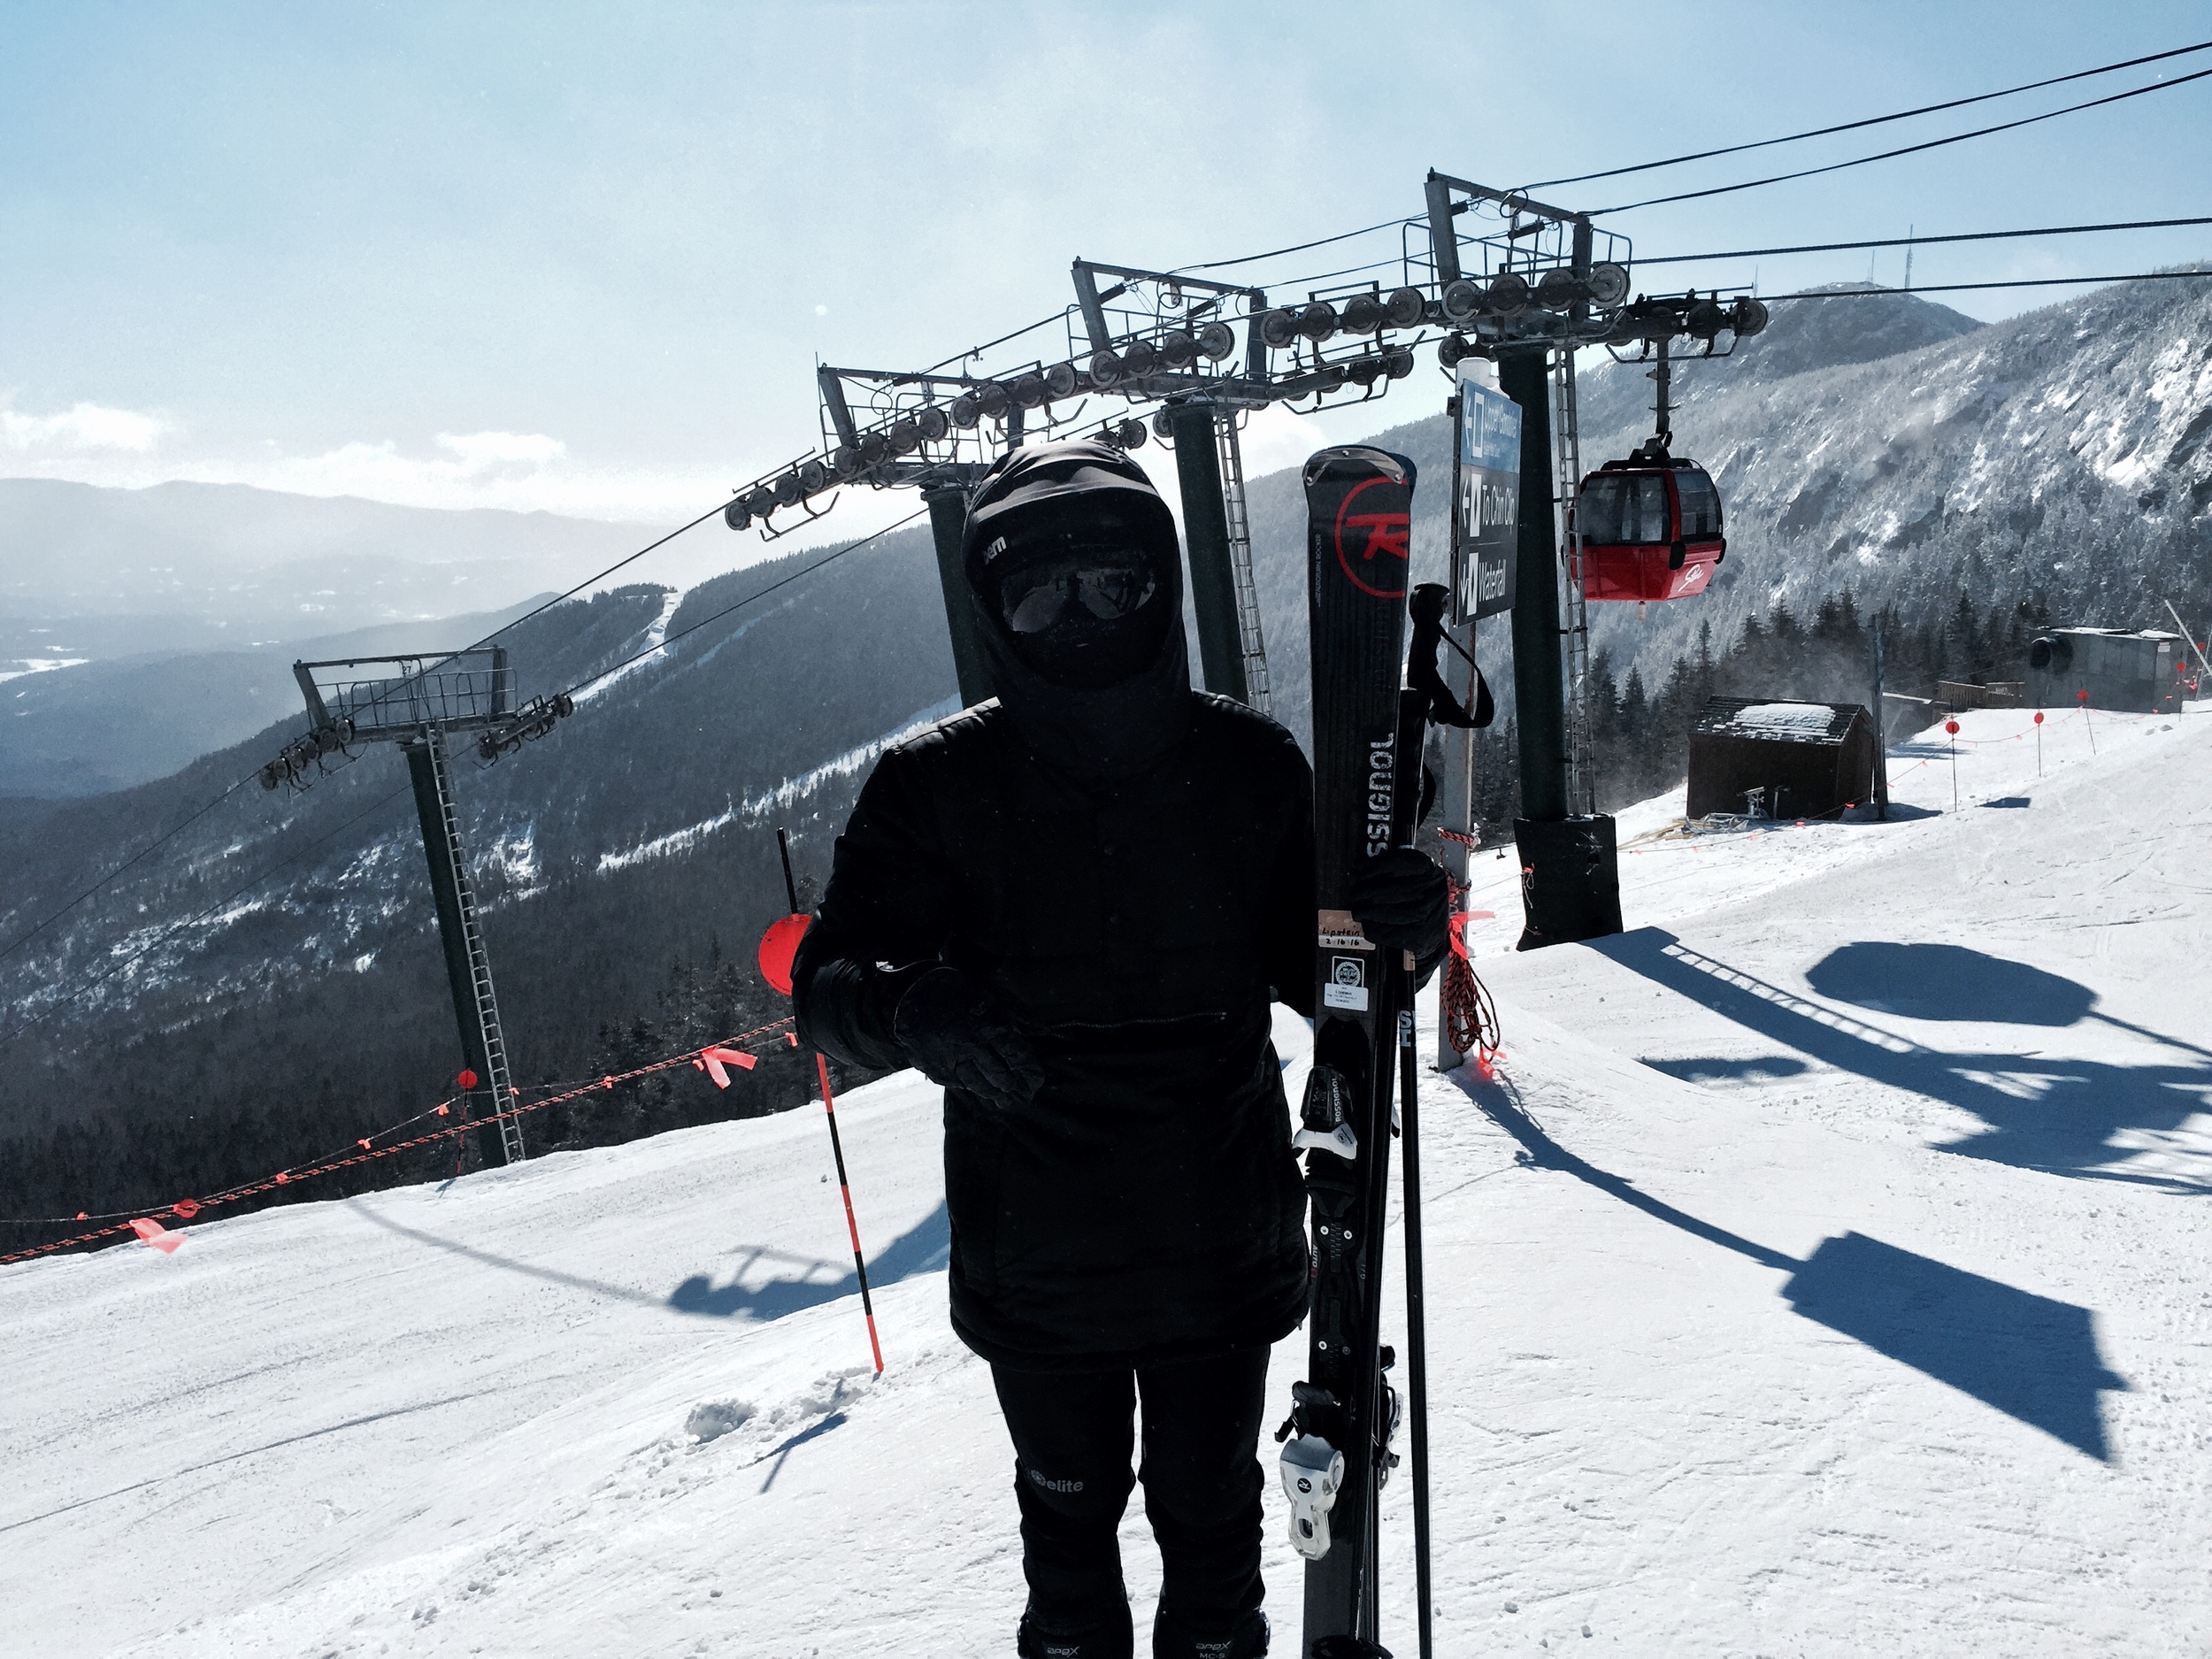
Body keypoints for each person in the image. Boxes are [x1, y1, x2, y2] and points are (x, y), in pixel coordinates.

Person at [792, 438, 1446, 1659]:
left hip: (1210, 1242)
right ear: (995, 612)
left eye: (1115, 583)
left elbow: (1325, 978)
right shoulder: (933, 786)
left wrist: (1395, 936)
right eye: (1043, 591)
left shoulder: (1245, 766)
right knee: (1071, 1562)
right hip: (1048, 1260)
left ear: (1162, 586)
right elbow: (822, 992)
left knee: (1212, 1544)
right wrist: (907, 1010)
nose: (1081, 618)